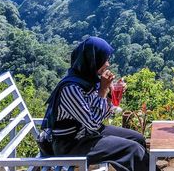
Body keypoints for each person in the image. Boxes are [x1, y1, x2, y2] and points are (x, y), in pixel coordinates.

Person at [41, 36, 149, 171]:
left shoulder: (88, 80)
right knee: (132, 149)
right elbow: (93, 124)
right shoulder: (71, 89)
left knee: (138, 138)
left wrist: (110, 94)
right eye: (105, 60)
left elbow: (100, 115)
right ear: (93, 60)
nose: (108, 64)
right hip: (70, 144)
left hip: (86, 133)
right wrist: (103, 90)